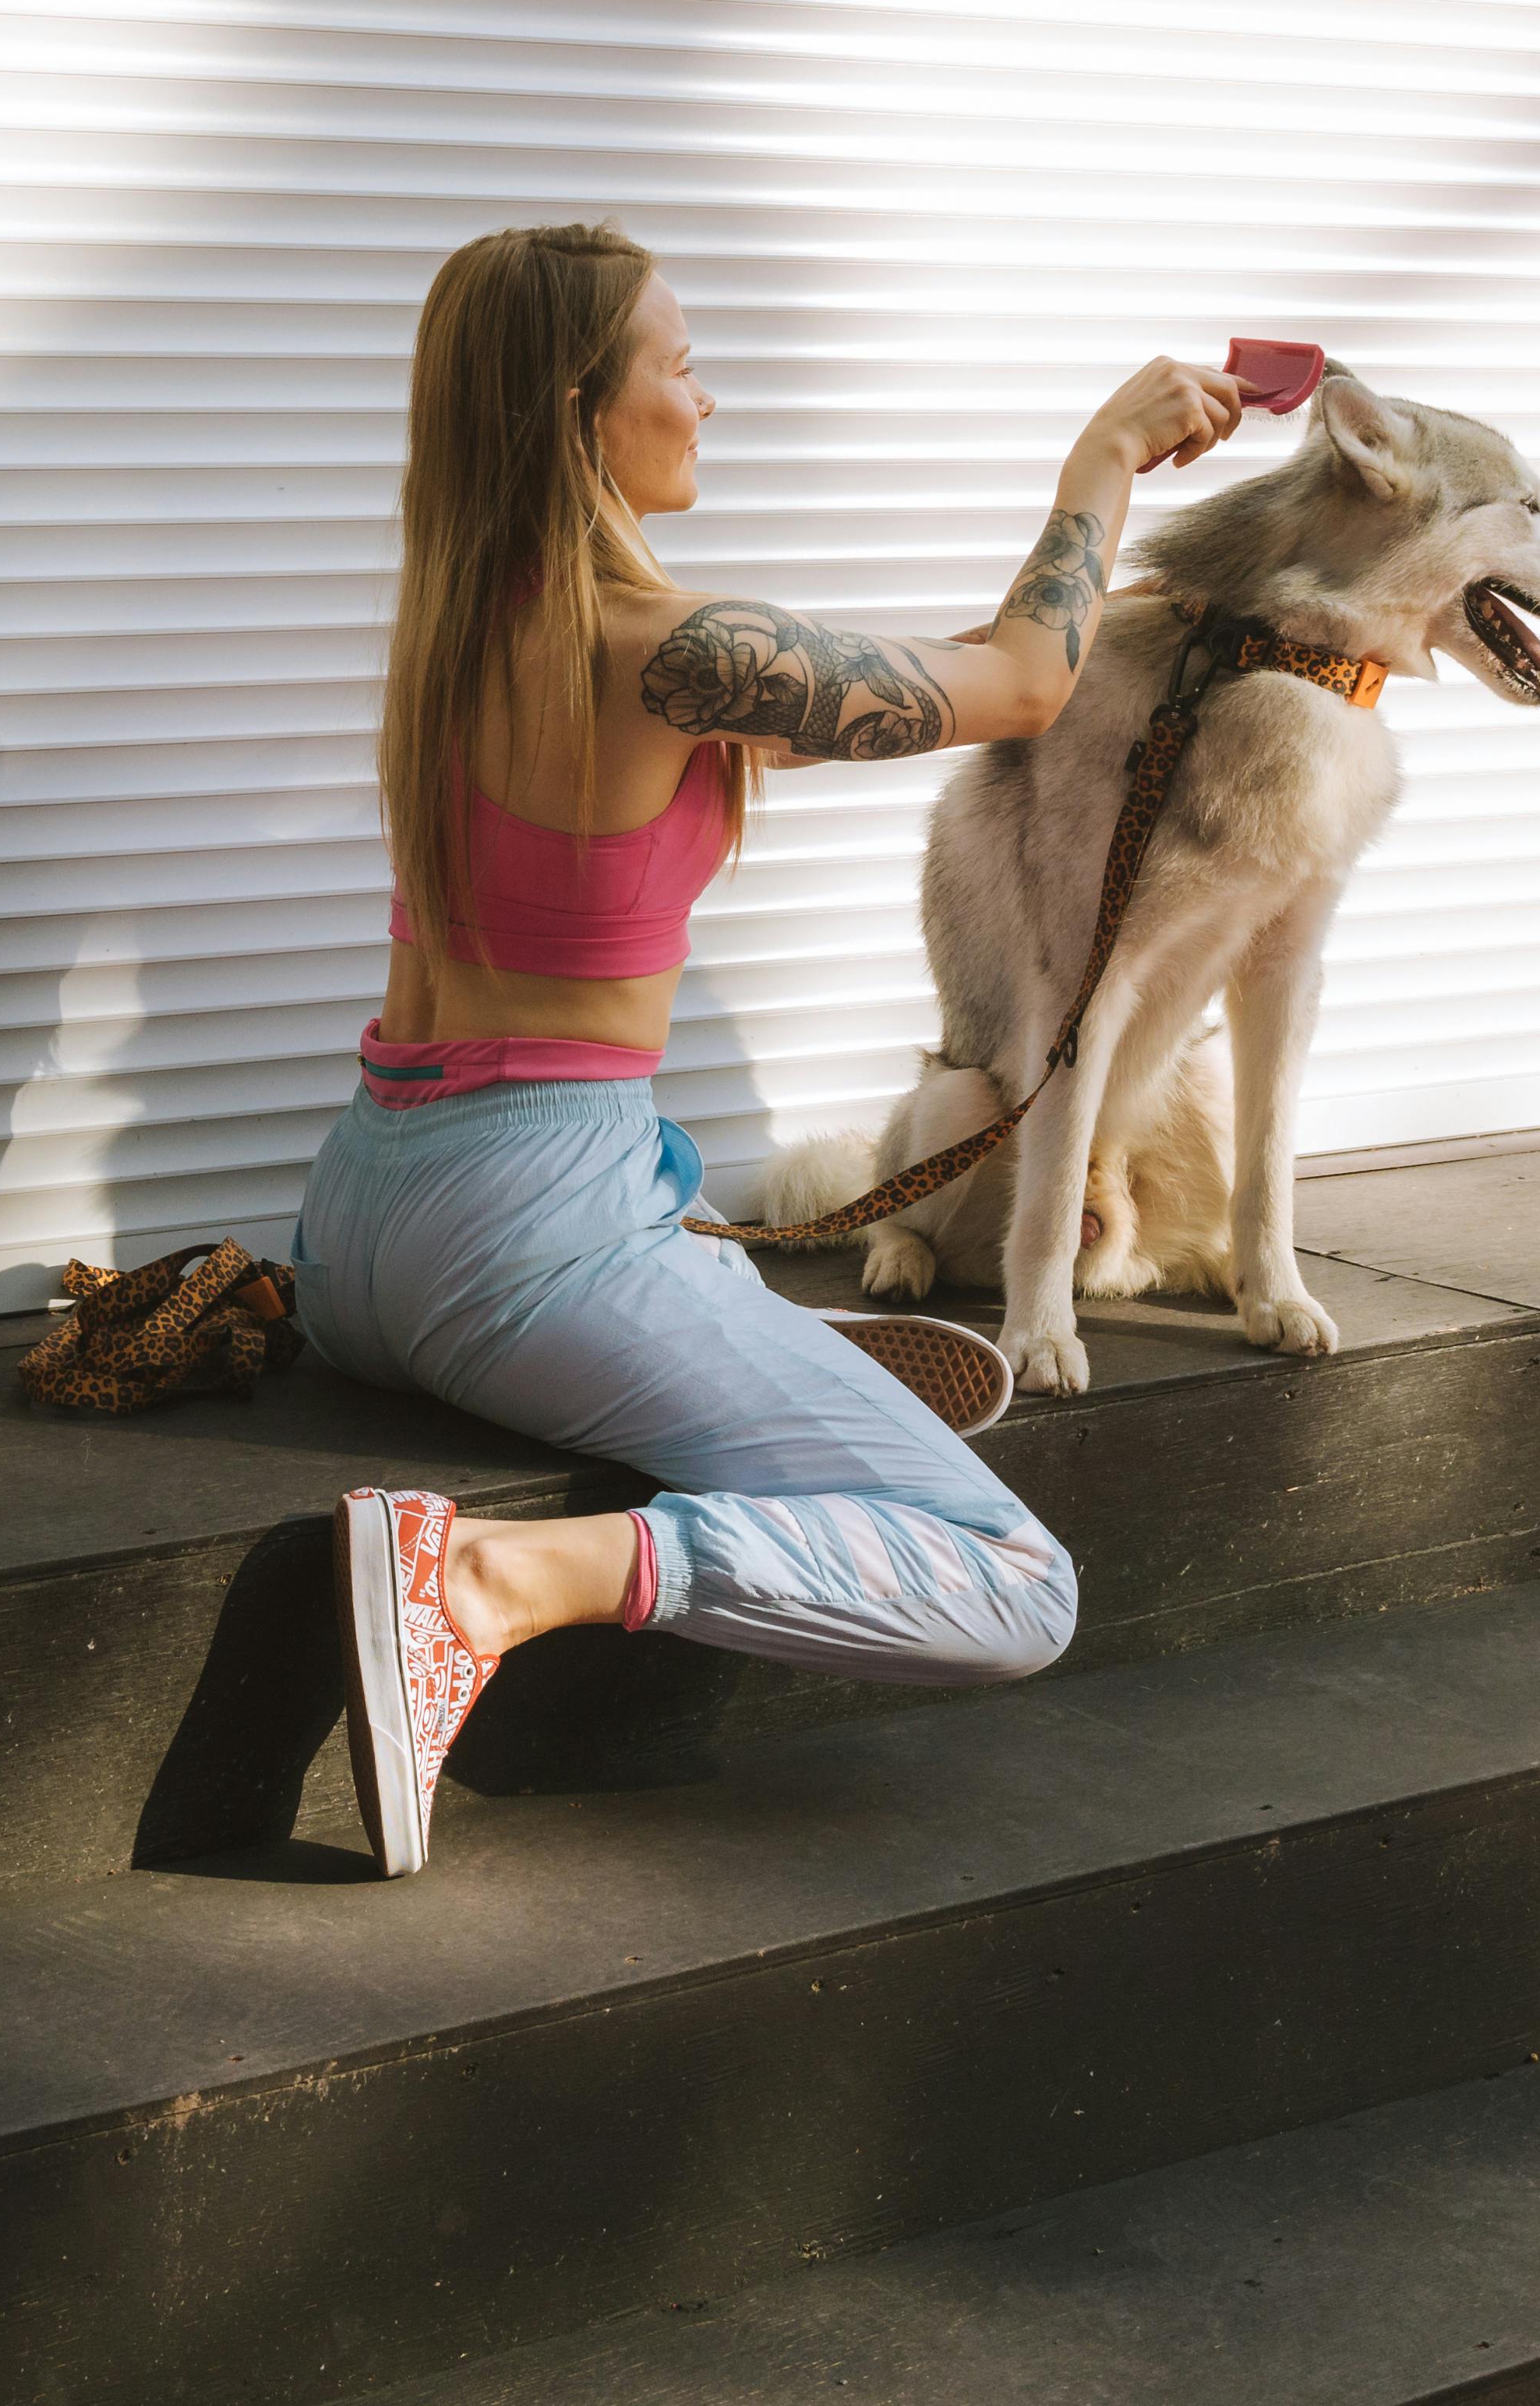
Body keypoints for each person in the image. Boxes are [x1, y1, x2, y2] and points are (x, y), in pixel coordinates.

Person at [302, 221, 1241, 1877]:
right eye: (677, 363)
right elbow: (1028, 683)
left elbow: (918, 696)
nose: (707, 396)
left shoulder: (455, 625)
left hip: (363, 1227)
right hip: (529, 1226)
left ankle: (744, 1343)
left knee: (686, 1253)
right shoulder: (669, 651)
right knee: (1019, 1581)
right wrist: (1106, 459)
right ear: (584, 405)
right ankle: (495, 1581)